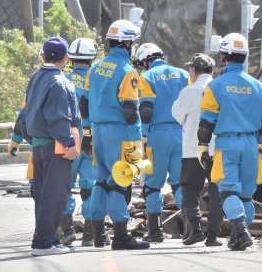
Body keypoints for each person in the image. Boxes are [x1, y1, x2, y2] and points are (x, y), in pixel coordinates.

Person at [198, 33, 262, 251]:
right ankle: (240, 237)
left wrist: (202, 147)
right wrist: (260, 144)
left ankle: (240, 230)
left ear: (223, 56)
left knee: (228, 190)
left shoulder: (216, 86)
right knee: (246, 194)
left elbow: (206, 123)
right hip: (251, 144)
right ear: (245, 56)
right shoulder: (259, 87)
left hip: (227, 144)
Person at [85, 20, 150, 250]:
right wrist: (137, 140)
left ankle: (98, 234)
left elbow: (85, 103)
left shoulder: (95, 68)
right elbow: (130, 111)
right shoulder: (127, 71)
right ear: (125, 43)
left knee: (101, 180)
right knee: (120, 181)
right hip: (119, 131)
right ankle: (121, 236)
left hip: (98, 130)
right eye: (131, 42)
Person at [18, 36, 81, 256]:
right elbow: (59, 118)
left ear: (43, 56)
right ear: (65, 58)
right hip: (57, 146)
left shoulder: (36, 77)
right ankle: (43, 242)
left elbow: (25, 113)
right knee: (56, 194)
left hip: (39, 145)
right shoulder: (60, 82)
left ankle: (50, 239)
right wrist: (70, 143)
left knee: (44, 193)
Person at [135, 43, 189, 242]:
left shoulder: (147, 77)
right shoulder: (183, 74)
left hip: (157, 136)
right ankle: (192, 229)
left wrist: (142, 135)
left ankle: (155, 232)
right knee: (179, 183)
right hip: (180, 134)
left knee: (152, 185)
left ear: (145, 61)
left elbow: (146, 112)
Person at [171, 53, 224, 247]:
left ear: (193, 70)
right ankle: (213, 236)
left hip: (193, 149)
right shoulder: (220, 88)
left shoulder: (189, 91)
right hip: (216, 149)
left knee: (190, 191)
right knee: (216, 190)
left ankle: (195, 229)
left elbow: (176, 114)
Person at [60, 38, 98, 247]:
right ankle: (90, 234)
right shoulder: (98, 81)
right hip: (92, 139)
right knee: (90, 186)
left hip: (69, 138)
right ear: (92, 59)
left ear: (71, 60)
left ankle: (67, 230)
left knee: (65, 183)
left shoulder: (63, 80)